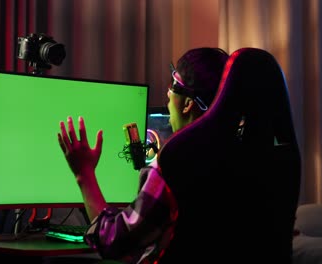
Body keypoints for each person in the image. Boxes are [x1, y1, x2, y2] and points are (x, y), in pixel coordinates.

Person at [56, 47, 229, 263]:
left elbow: (113, 241)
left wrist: (84, 174)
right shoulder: (242, 157)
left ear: (187, 103)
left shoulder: (173, 165)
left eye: (174, 83)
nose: (167, 92)